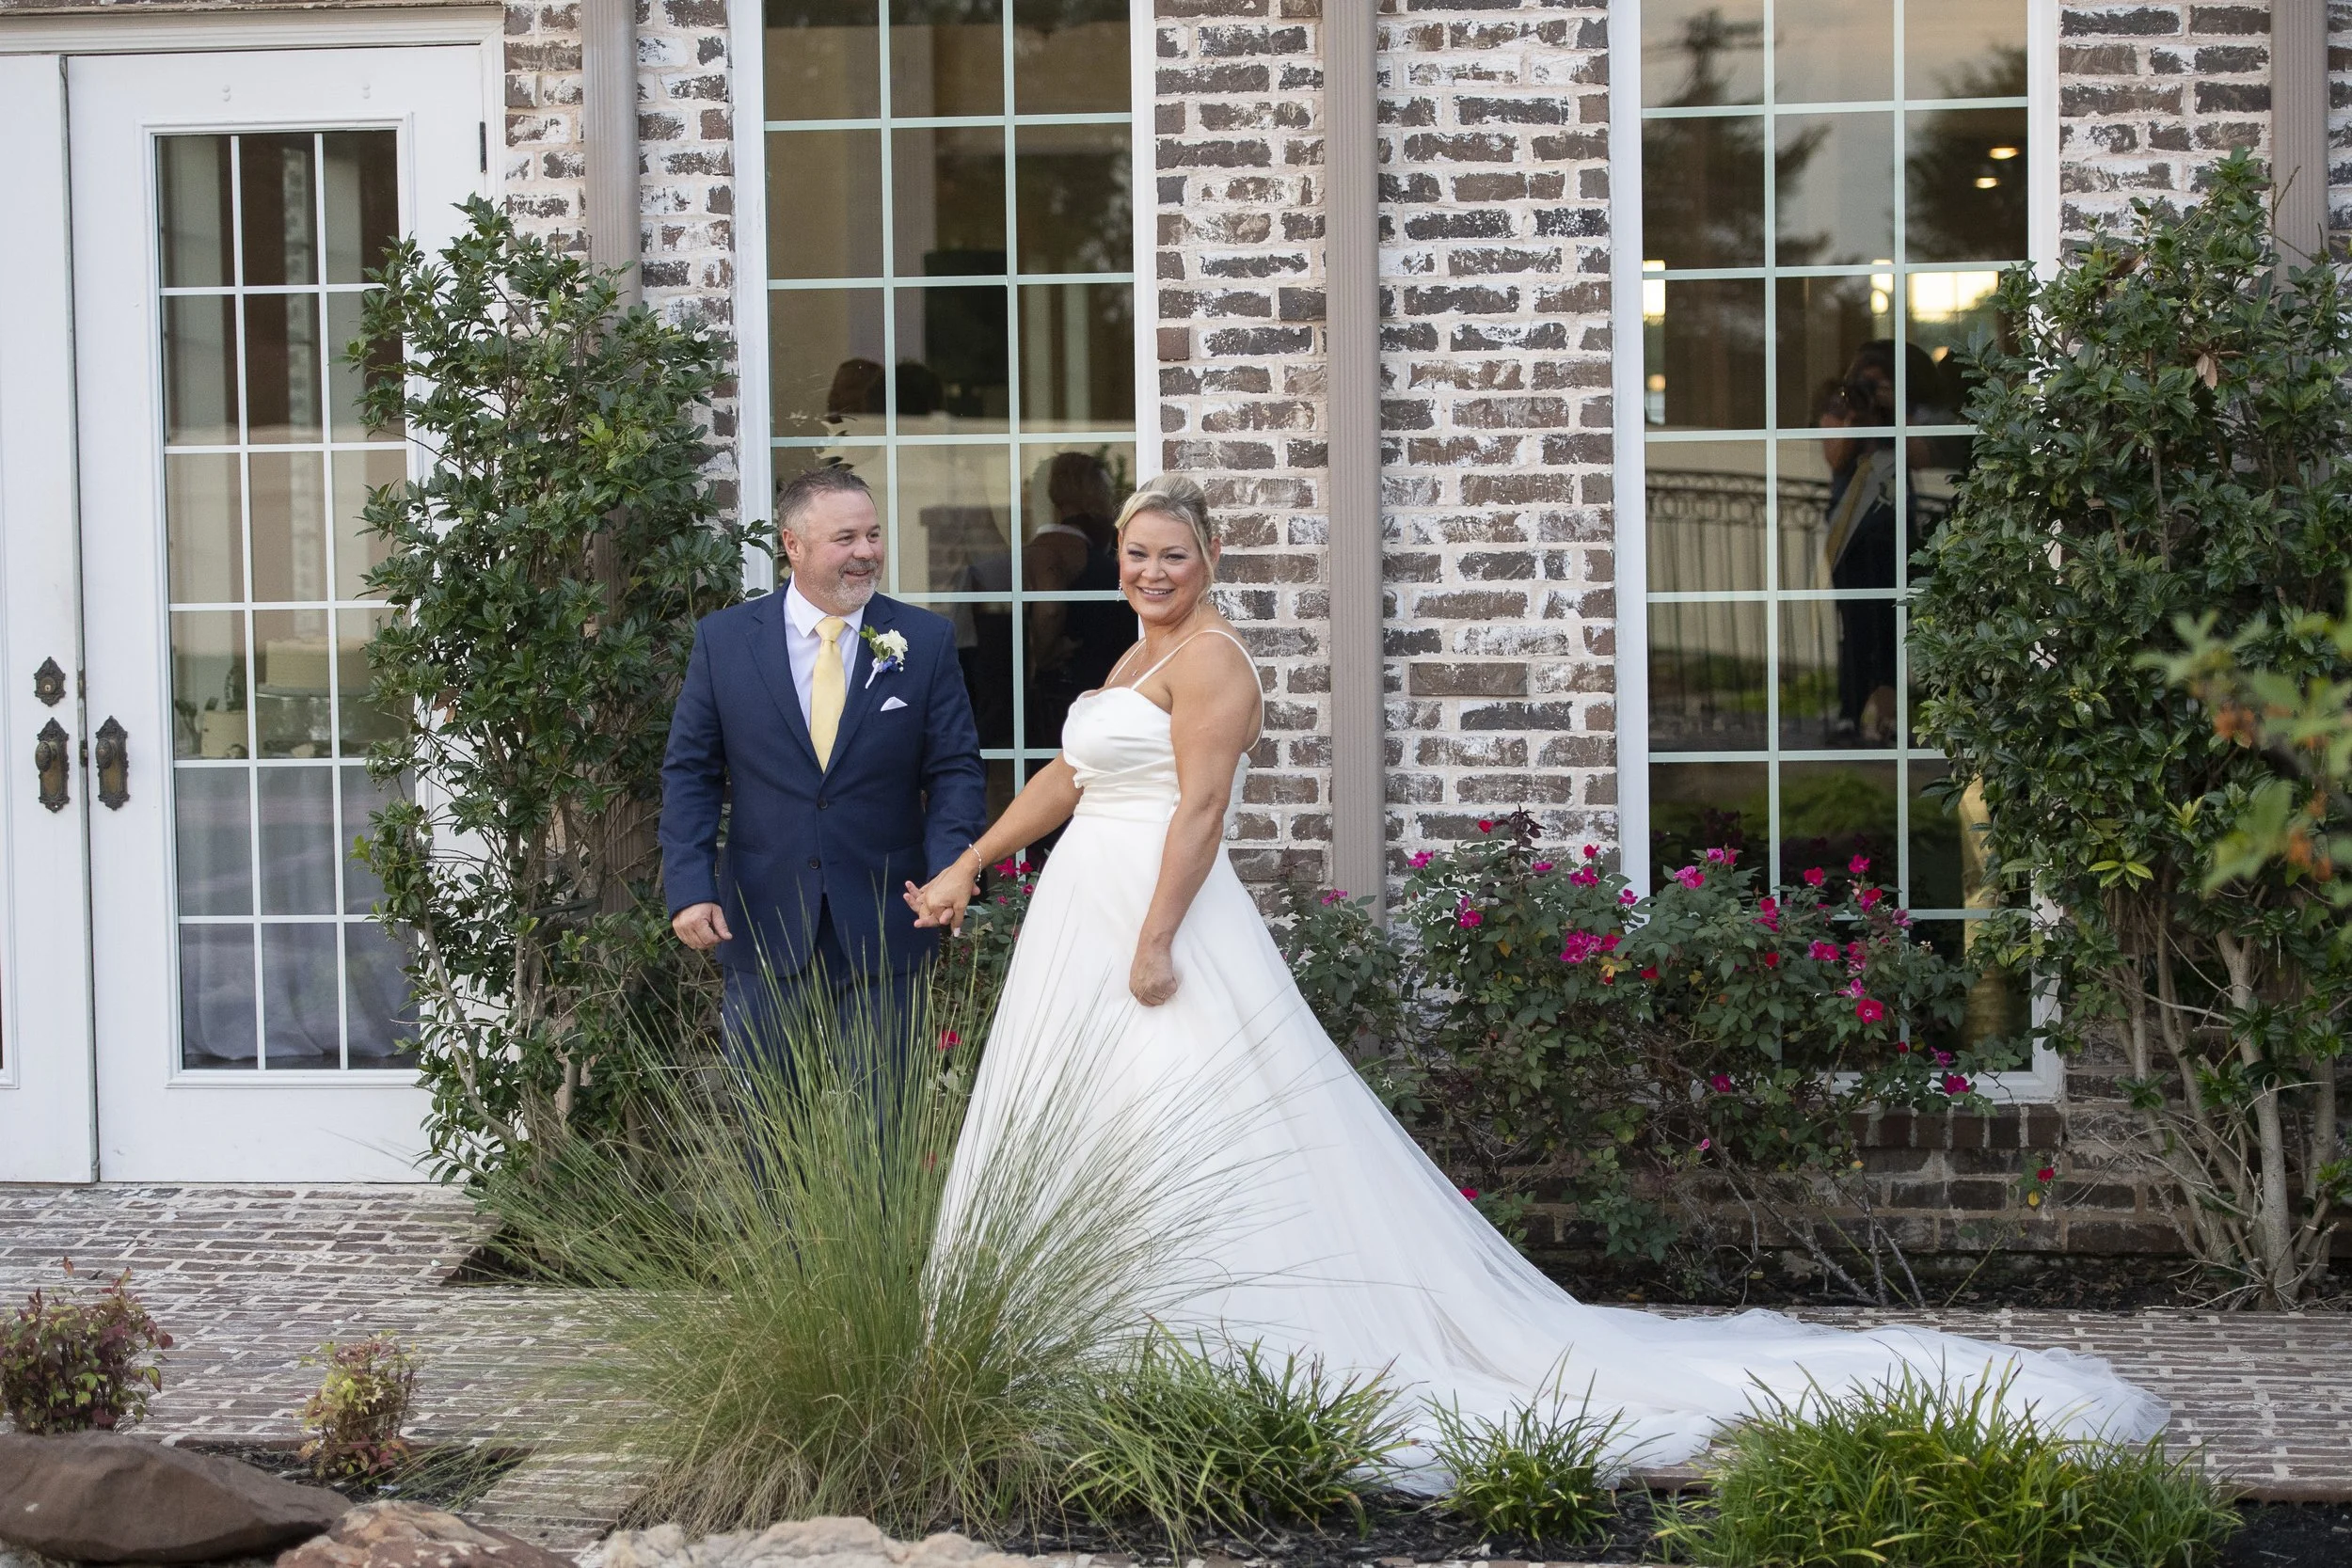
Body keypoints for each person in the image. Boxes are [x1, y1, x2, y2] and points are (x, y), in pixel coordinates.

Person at [902, 472, 2166, 1483]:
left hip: (1158, 918)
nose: (1151, 570)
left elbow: (1201, 807)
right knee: (1091, 1118)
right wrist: (968, 862)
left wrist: (1156, 936)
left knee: (1178, 1116)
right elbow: (1070, 777)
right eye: (1136, 552)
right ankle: (1079, 1338)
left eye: (1172, 554)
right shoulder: (1128, 659)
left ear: (1210, 559)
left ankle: (1202, 1340)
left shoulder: (1214, 659)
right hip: (1082, 909)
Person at [661, 462, 987, 1069]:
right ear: (794, 545)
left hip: (889, 919)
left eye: (873, 534)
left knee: (884, 1116)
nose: (866, 551)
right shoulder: (724, 642)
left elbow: (954, 771)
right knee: (770, 1122)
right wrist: (689, 887)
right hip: (764, 920)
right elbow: (691, 773)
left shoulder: (925, 640)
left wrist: (950, 869)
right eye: (846, 538)